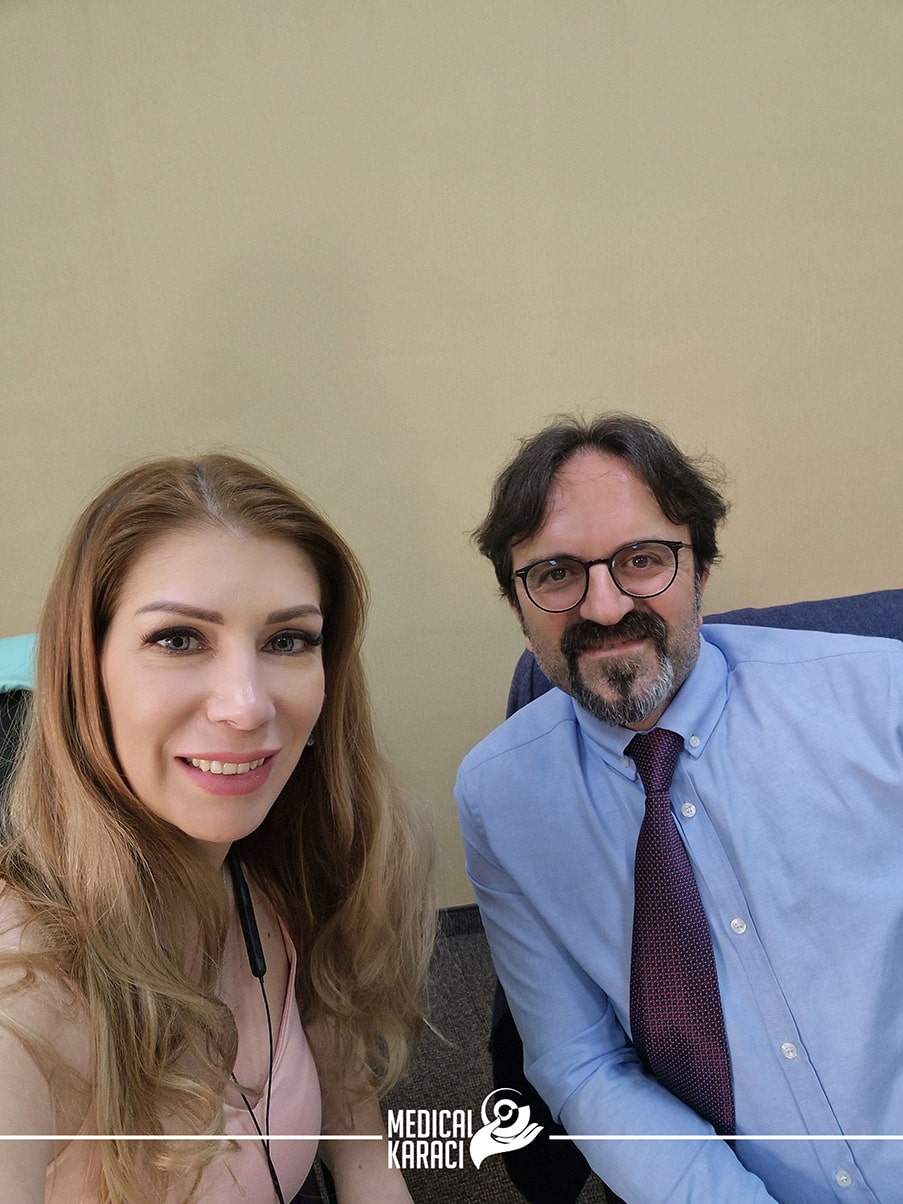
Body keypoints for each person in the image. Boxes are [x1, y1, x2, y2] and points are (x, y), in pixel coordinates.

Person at [455, 413, 903, 1203]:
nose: (602, 607)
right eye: (555, 573)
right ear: (516, 605)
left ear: (699, 569)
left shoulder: (880, 696)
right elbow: (578, 1062)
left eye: (641, 559)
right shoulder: (499, 796)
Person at [0, 454, 433, 1203]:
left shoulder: (295, 879)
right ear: (86, 672)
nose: (247, 705)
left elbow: (366, 1161)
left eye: (287, 641)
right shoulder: (28, 985)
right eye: (178, 639)